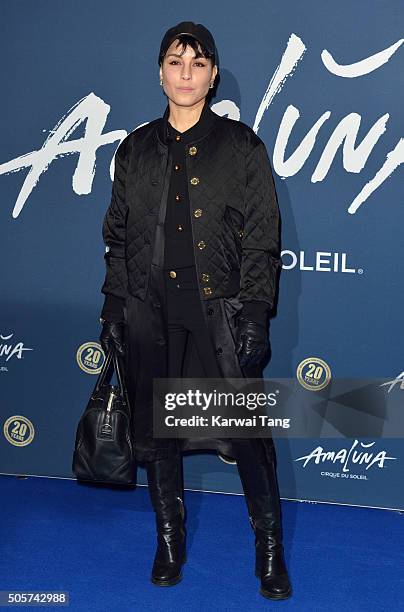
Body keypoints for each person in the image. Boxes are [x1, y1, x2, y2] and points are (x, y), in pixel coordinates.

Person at [99, 21, 292, 601]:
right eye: (175, 62)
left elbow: (263, 234)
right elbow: (117, 233)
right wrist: (114, 307)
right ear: (159, 72)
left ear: (212, 75)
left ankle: (269, 551)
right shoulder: (133, 150)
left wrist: (256, 310)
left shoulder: (241, 146)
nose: (186, 74)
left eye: (198, 64)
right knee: (159, 437)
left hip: (222, 313)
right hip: (151, 311)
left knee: (250, 440)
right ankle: (168, 542)